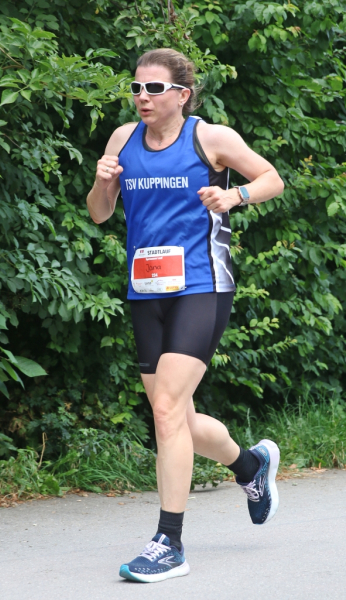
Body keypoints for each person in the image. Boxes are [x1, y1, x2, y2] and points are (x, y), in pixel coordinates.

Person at [86, 48, 284, 584]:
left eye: (154, 89)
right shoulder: (123, 139)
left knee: (168, 410)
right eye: (136, 88)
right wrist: (103, 181)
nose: (142, 97)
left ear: (182, 95)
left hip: (201, 285)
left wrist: (235, 195)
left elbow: (272, 178)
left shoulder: (209, 138)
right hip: (146, 290)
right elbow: (100, 213)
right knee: (174, 415)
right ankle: (250, 465)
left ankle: (169, 543)